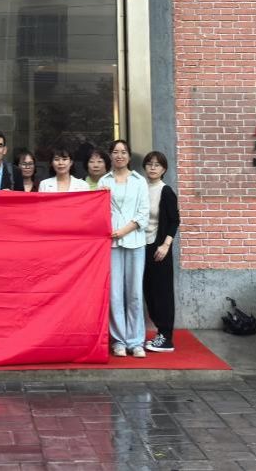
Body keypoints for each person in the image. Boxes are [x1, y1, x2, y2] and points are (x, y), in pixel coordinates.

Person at [99, 141, 149, 358]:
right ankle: (119, 340)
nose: (119, 156)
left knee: (135, 293)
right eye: (115, 152)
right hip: (111, 243)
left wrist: (124, 231)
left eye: (123, 152)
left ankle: (136, 341)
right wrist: (112, 231)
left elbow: (143, 213)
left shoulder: (139, 181)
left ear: (129, 156)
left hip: (135, 241)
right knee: (115, 293)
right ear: (110, 156)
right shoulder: (104, 181)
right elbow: (98, 211)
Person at [142, 150, 179, 353]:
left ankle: (166, 337)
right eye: (149, 164)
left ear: (164, 169)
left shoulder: (166, 191)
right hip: (142, 247)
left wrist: (165, 245)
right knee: (148, 292)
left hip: (159, 249)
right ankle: (159, 332)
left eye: (157, 165)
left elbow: (174, 221)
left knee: (162, 293)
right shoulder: (140, 188)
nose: (153, 168)